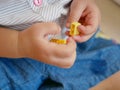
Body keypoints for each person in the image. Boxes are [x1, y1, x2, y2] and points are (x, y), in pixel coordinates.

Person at [0, 0, 120, 90]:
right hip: (9, 55)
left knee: (114, 61)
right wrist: (19, 43)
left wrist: (87, 4)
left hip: (75, 45)